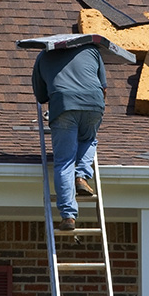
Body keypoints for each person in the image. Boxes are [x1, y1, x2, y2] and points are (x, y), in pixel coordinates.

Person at [32, 44, 107, 231]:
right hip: (93, 102)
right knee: (88, 139)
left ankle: (68, 216)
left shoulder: (44, 55)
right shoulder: (91, 50)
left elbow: (41, 96)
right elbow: (103, 88)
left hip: (63, 104)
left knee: (64, 161)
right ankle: (81, 176)